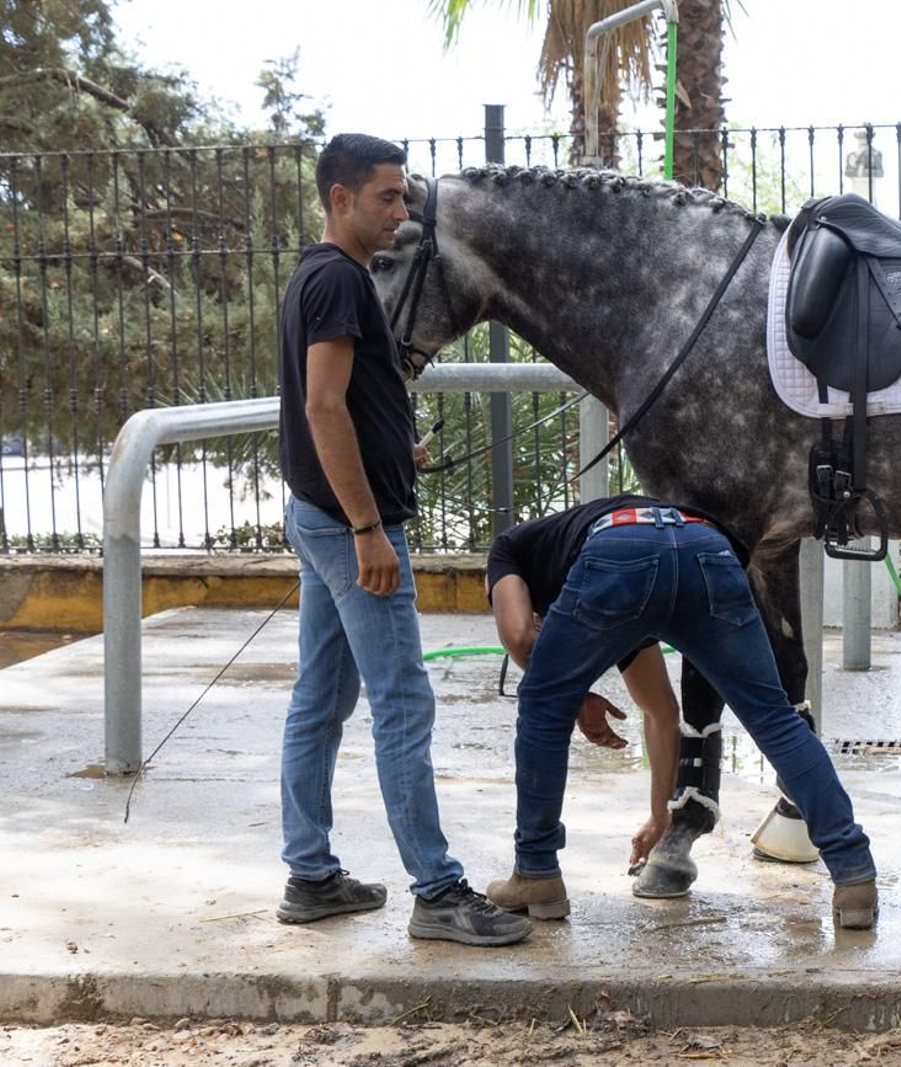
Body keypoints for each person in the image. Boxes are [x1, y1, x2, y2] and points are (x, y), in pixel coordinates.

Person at [274, 133, 531, 947]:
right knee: (402, 701)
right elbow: (321, 407)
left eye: (405, 195)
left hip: (322, 516)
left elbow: (344, 405)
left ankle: (311, 875)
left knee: (321, 699)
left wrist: (395, 450)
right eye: (387, 196)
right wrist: (365, 529)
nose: (403, 211)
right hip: (349, 530)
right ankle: (437, 888)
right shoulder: (340, 283)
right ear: (339, 199)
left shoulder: (320, 279)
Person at [484, 494, 879, 929]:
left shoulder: (510, 549)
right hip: (705, 548)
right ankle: (854, 874)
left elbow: (521, 637)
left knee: (541, 704)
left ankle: (536, 872)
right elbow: (660, 713)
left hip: (617, 561)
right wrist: (660, 815)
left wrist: (572, 696)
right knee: (774, 718)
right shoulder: (597, 572)